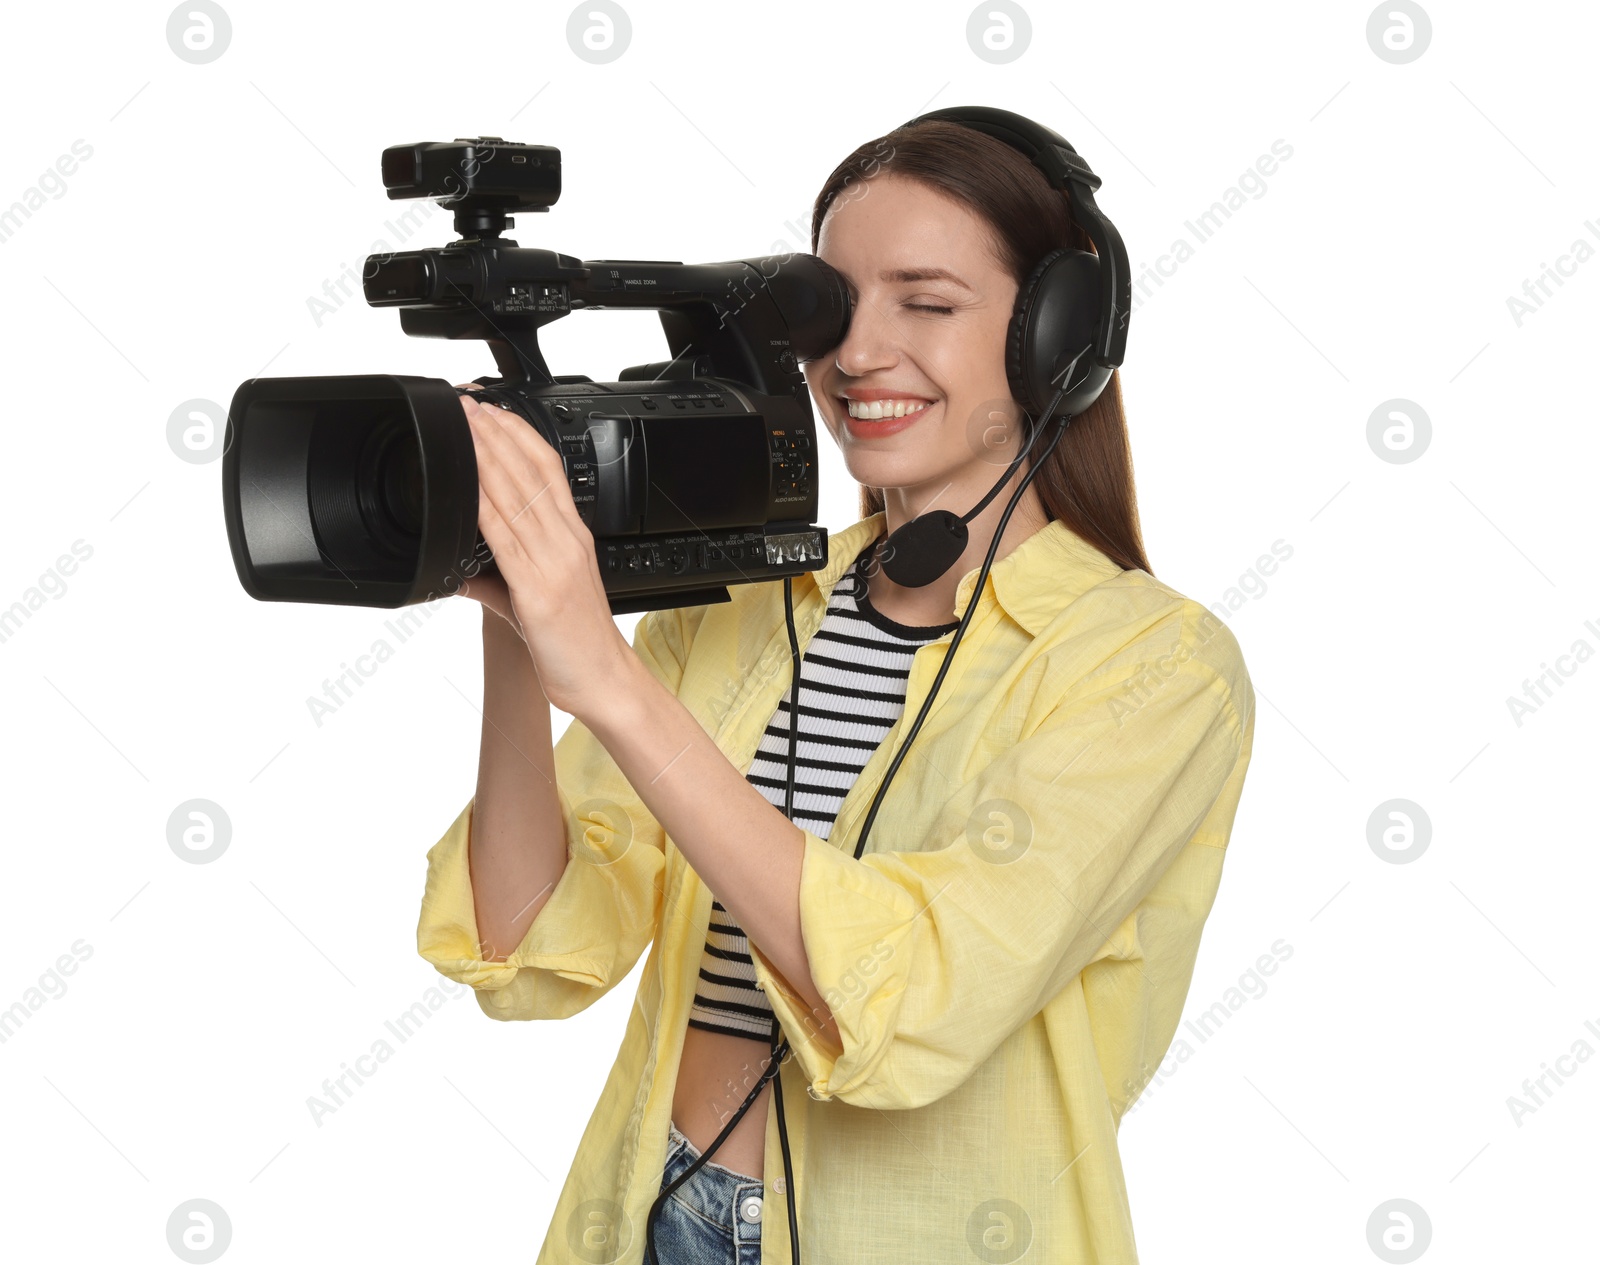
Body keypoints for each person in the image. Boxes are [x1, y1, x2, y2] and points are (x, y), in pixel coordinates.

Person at [416, 118, 1256, 1265]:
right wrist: (522, 615)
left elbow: (918, 998)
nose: (857, 353)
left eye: (926, 301)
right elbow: (530, 942)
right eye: (829, 306)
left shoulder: (1154, 667)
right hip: (654, 1211)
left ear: (1058, 338)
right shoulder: (749, 600)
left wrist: (609, 679)